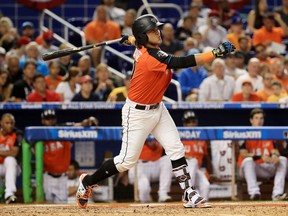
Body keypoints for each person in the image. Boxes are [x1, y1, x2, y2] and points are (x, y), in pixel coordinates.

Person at [75, 14, 235, 209]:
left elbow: (137, 41)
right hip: (137, 113)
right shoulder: (151, 57)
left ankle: (188, 193)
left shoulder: (143, 46)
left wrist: (131, 39)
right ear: (144, 37)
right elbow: (182, 62)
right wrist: (215, 53)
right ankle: (87, 181)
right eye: (152, 31)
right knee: (126, 161)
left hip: (157, 108)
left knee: (176, 148)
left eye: (156, 29)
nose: (157, 32)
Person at [40, 109, 98, 204]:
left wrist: (89, 120)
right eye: (47, 119)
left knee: (61, 206)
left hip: (62, 177)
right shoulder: (38, 134)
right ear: (42, 121)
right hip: (47, 176)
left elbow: (79, 125)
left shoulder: (64, 130)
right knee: (46, 204)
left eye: (52, 118)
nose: (50, 121)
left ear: (55, 120)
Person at [237, 108, 287, 200]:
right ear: (251, 120)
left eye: (261, 118)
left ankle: (277, 194)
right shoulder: (245, 133)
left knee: (283, 160)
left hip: (264, 168)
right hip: (249, 169)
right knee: (248, 161)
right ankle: (254, 193)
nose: (259, 121)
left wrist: (275, 156)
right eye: (256, 118)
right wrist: (260, 157)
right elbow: (243, 153)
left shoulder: (269, 133)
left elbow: (274, 150)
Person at [181, 111, 212, 200]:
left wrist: (210, 173)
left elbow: (206, 158)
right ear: (184, 124)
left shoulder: (201, 138)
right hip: (180, 168)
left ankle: (201, 211)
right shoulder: (179, 136)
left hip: (194, 169)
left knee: (206, 186)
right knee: (193, 161)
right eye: (188, 122)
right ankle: (186, 196)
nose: (191, 124)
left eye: (193, 121)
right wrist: (187, 157)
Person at [0, 113, 22, 204]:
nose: (10, 125)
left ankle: (9, 194)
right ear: (1, 123)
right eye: (7, 123)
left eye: (12, 123)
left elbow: (13, 153)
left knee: (10, 159)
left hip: (12, 168)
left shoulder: (17, 134)